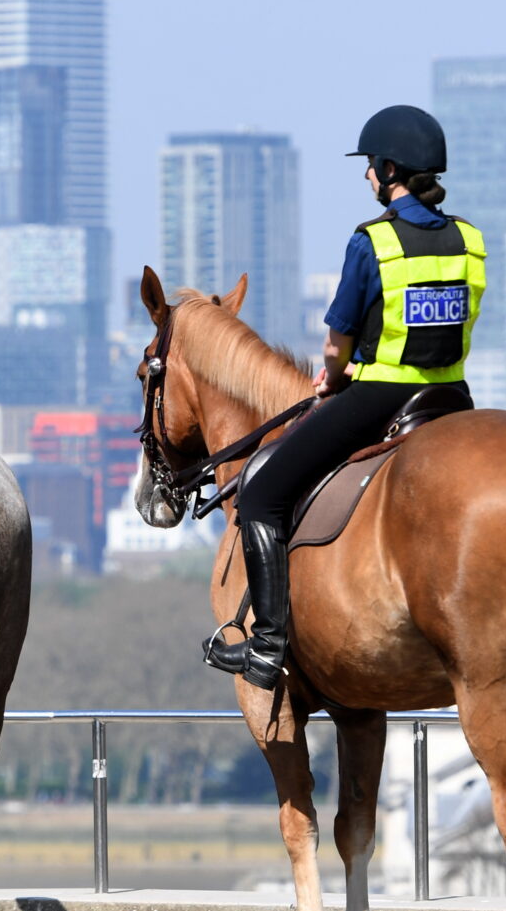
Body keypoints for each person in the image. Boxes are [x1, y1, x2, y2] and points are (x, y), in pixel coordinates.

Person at [204, 105, 486, 689]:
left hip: (380, 395)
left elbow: (338, 342)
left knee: (260, 493)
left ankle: (268, 643)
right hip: (452, 397)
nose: (366, 178)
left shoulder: (373, 242)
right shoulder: (470, 239)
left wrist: (329, 378)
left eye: (371, 167)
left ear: (390, 170)